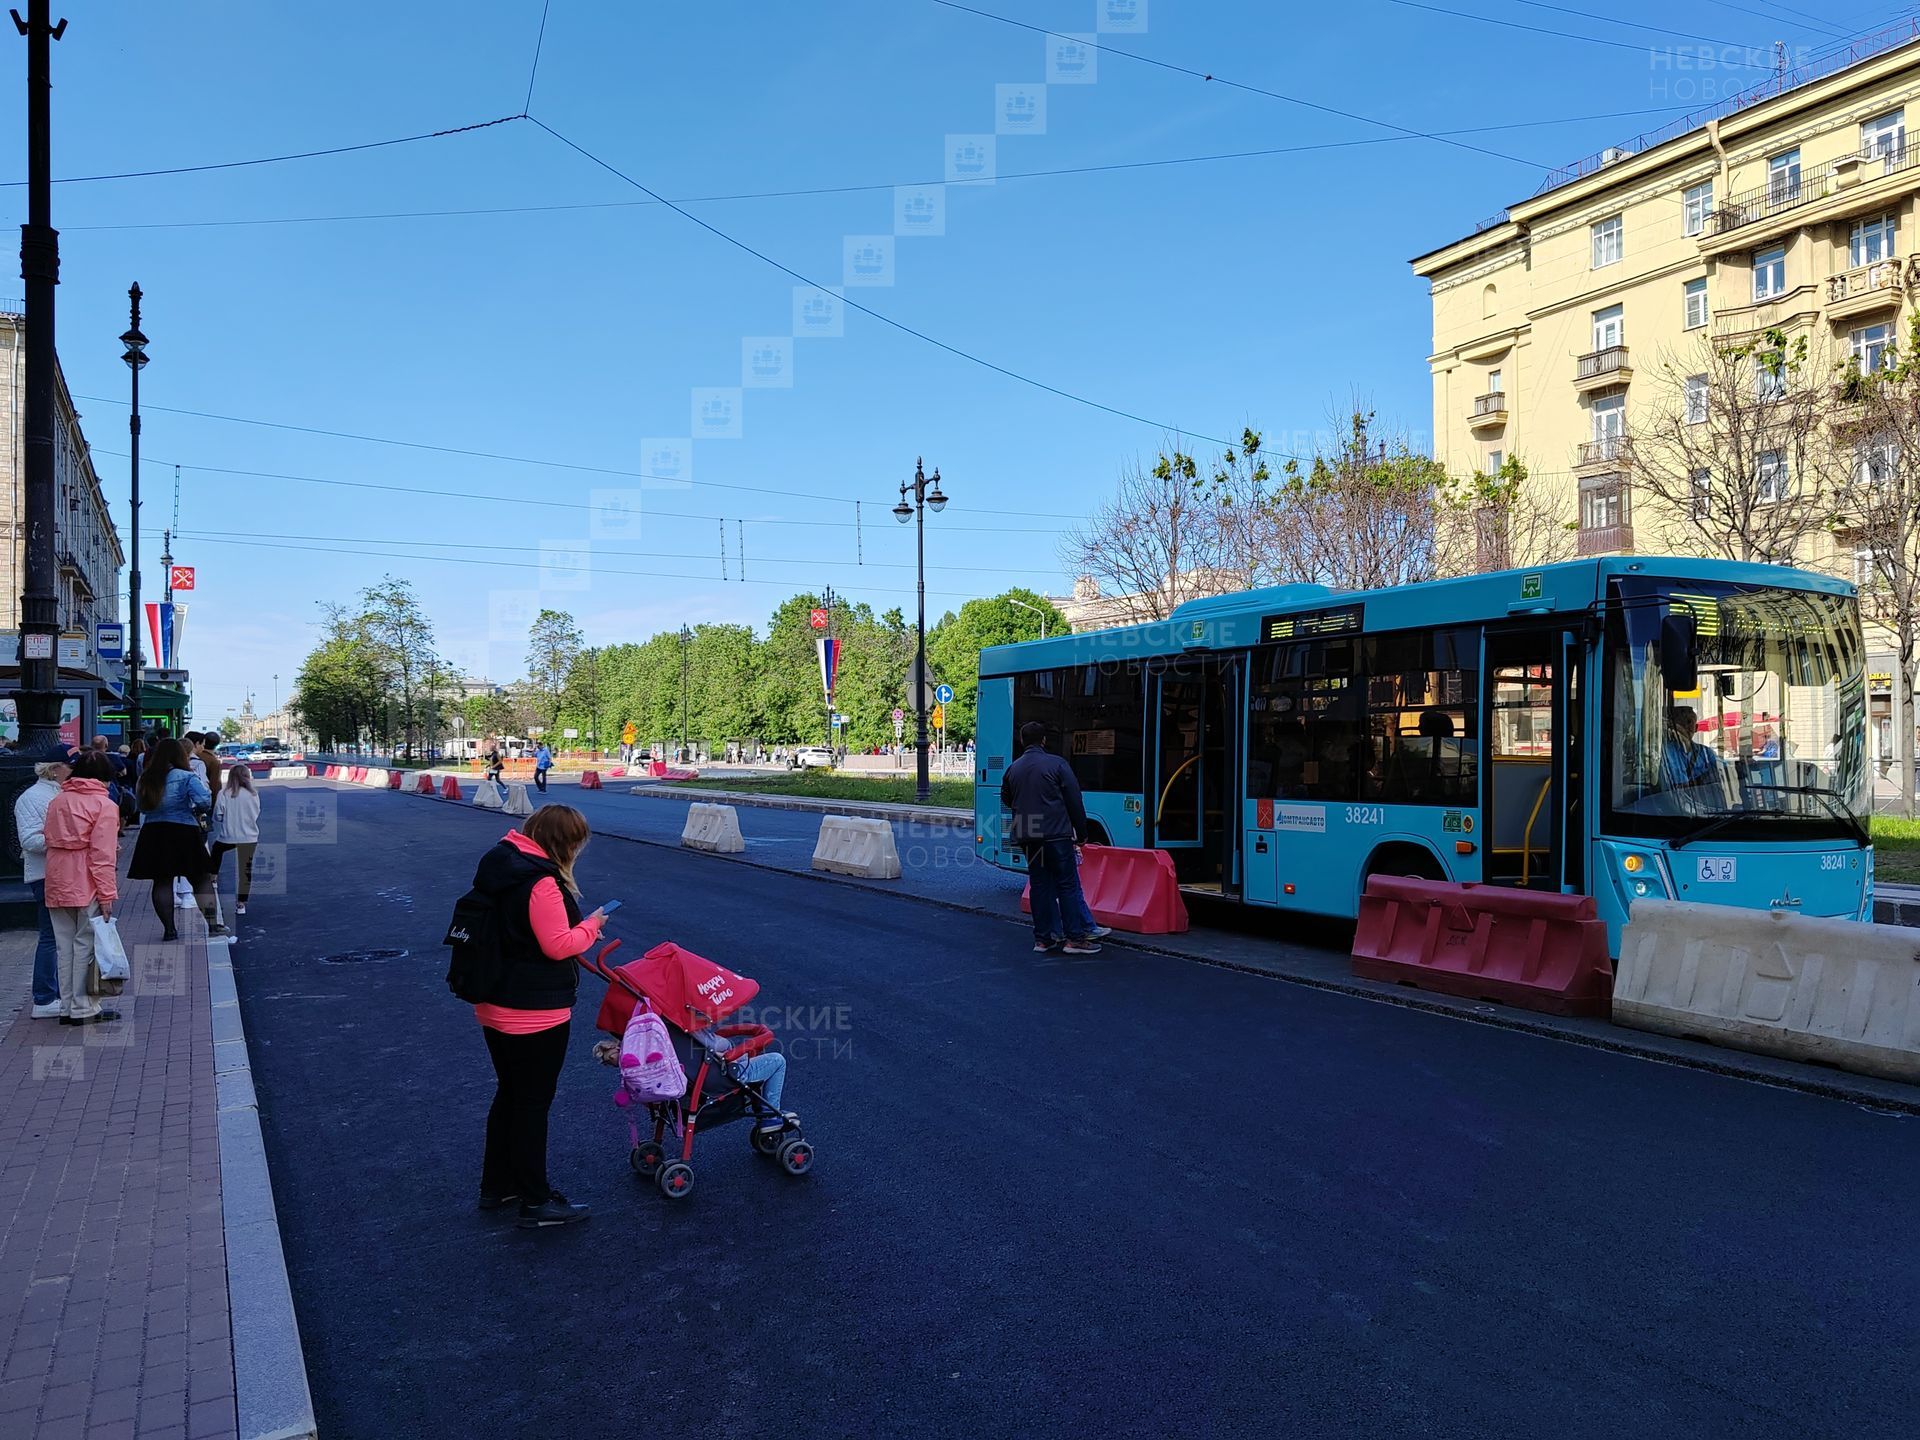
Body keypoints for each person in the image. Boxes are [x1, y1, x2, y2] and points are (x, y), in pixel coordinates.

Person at [469, 804, 609, 1228]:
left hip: (493, 1002)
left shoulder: (502, 864)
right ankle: (536, 1200)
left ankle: (497, 1185)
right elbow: (558, 945)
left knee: (509, 1094)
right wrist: (592, 926)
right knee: (532, 1104)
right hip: (534, 1011)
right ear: (564, 843)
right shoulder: (541, 881)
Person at [1000, 721, 1103, 955]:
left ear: (1023, 741)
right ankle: (1074, 939)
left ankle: (1043, 939)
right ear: (1044, 740)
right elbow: (1074, 800)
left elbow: (1007, 798)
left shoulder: (1013, 769)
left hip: (1028, 834)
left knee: (1039, 885)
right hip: (1056, 833)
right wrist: (1082, 833)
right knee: (1066, 885)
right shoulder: (1057, 764)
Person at [43, 752, 121, 1026]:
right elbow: (102, 856)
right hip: (86, 879)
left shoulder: (57, 800)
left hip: (56, 877)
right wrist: (107, 894)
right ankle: (83, 1007)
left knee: (64, 946)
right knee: (85, 944)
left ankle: (66, 1006)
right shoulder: (104, 805)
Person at [128, 738, 223, 942]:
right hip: (183, 830)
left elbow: (141, 807)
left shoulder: (146, 778)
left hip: (154, 831)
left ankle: (169, 930)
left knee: (162, 880)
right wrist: (193, 810)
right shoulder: (186, 776)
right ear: (180, 755)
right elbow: (204, 801)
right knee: (200, 878)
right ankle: (213, 925)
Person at [14, 752, 71, 1018]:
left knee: (59, 935)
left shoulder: (57, 794)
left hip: (59, 872)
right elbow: (29, 840)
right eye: (70, 765)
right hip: (46, 873)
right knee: (51, 935)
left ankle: (52, 994)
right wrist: (69, 839)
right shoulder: (33, 798)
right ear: (55, 768)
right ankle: (45, 997)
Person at [210, 764, 262, 917]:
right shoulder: (253, 794)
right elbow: (256, 813)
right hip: (249, 836)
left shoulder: (224, 793)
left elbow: (217, 815)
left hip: (228, 836)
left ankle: (213, 878)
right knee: (245, 869)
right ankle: (241, 904)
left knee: (217, 850)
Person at [1661, 706, 1721, 792]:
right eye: (1681, 722)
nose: (1686, 726)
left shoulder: (1706, 752)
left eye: (1689, 722)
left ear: (1696, 728)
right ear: (1674, 726)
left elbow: (1721, 770)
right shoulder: (1666, 750)